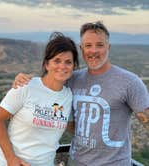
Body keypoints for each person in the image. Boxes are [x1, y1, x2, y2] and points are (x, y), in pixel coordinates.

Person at [12, 21, 149, 166]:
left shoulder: (129, 82)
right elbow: (49, 79)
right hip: (76, 162)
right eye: (88, 45)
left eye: (100, 45)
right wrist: (26, 79)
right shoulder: (73, 78)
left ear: (108, 47)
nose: (93, 51)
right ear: (81, 48)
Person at [0, 32, 79, 166]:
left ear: (73, 66)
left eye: (68, 62)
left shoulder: (69, 96)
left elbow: (75, 128)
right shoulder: (26, 86)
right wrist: (11, 158)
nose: (62, 66)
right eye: (57, 61)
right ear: (46, 64)